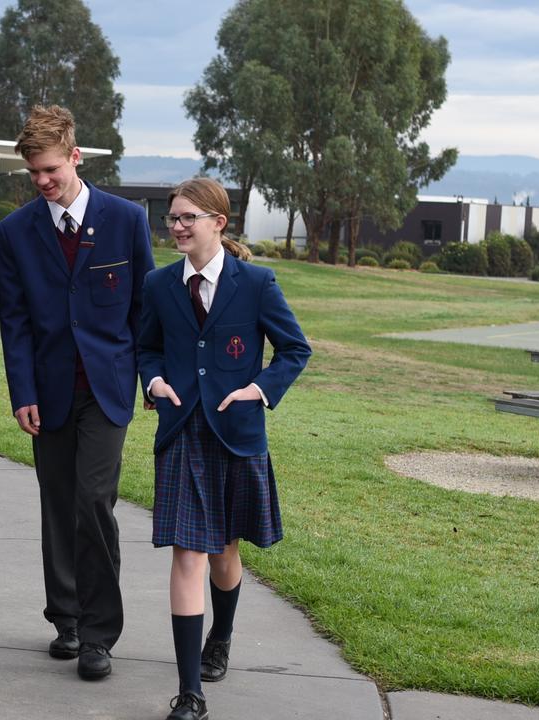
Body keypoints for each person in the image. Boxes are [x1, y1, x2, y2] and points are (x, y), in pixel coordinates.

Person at [137, 177, 311, 720]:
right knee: (187, 553)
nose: (177, 227)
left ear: (219, 222)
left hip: (235, 435)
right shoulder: (159, 283)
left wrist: (258, 389)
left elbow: (294, 349)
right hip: (181, 429)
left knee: (223, 552)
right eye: (173, 218)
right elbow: (146, 347)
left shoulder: (256, 283)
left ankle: (224, 634)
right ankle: (190, 693)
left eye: (189, 218)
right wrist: (154, 381)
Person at [0, 105, 155, 680]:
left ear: (76, 157)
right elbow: (12, 320)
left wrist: (149, 378)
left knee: (93, 502)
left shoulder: (125, 219)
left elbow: (144, 308)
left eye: (51, 170)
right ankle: (64, 617)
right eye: (34, 173)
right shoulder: (15, 231)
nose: (43, 182)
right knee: (58, 506)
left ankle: (98, 634)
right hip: (49, 390)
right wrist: (22, 392)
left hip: (108, 389)